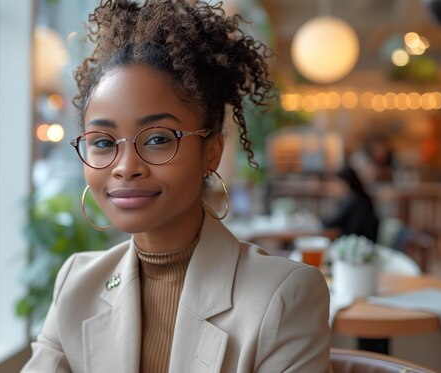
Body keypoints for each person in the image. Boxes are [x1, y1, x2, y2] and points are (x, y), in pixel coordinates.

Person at [22, 1, 331, 372]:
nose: (125, 168)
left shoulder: (282, 295)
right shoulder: (77, 284)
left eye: (157, 139)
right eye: (103, 142)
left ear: (211, 152)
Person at [322, 165, 380, 243]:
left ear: (345, 184)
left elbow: (337, 223)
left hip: (361, 245)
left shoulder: (354, 201)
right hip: (356, 241)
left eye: (336, 183)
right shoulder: (352, 198)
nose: (333, 187)